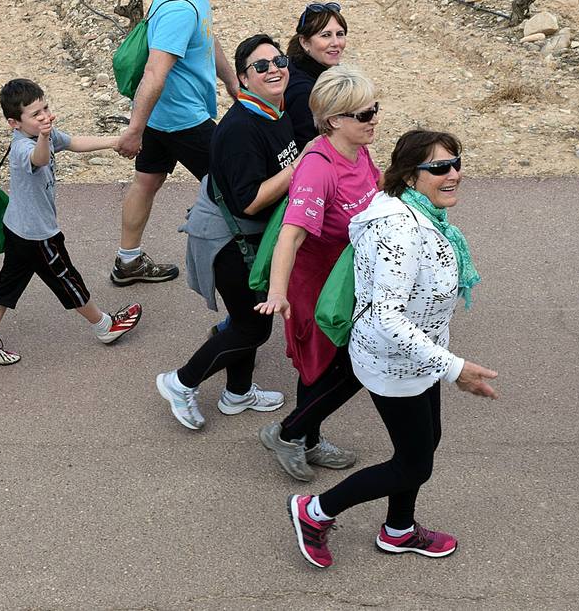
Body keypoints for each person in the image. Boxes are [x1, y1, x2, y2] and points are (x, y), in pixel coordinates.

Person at [288, 130, 496, 569]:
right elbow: (387, 316)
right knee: (413, 464)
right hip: (393, 363)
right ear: (409, 175)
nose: (453, 174)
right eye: (439, 167)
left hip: (417, 358)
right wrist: (454, 367)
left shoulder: (424, 216)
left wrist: (440, 361)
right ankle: (315, 511)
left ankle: (399, 530)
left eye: (457, 162)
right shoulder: (399, 230)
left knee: (426, 443)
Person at [156, 36, 303, 428]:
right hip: (226, 239)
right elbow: (248, 202)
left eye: (279, 60)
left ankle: (238, 394)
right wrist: (300, 168)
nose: (274, 69)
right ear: (242, 79)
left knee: (251, 318)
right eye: (261, 66)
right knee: (251, 326)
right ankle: (181, 382)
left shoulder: (276, 109)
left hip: (249, 236)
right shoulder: (242, 128)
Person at [256, 67, 381, 482]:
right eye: (363, 115)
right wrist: (279, 293)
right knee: (326, 365)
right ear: (333, 121)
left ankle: (305, 437)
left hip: (346, 277)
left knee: (333, 365)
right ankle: (291, 435)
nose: (373, 120)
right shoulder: (317, 167)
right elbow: (289, 238)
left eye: (374, 110)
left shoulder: (359, 150)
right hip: (312, 285)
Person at [0, 79, 143, 365]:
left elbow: (72, 142)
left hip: (17, 228)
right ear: (14, 123)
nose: (45, 116)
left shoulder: (41, 134)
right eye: (36, 114)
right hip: (38, 235)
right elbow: (39, 158)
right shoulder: (26, 147)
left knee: (9, 284)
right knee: (67, 279)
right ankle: (104, 326)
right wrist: (45, 137)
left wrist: (116, 142)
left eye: (45, 108)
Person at [111, 0, 239, 287]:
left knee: (146, 182)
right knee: (234, 186)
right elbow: (154, 72)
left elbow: (206, 37)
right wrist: (134, 131)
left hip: (163, 116)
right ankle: (244, 268)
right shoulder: (181, 6)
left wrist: (232, 83)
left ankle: (128, 261)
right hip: (183, 120)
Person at [283, 2, 348, 147]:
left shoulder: (294, 64)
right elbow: (308, 148)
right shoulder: (305, 92)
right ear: (305, 43)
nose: (336, 43)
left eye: (340, 34)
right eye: (326, 35)